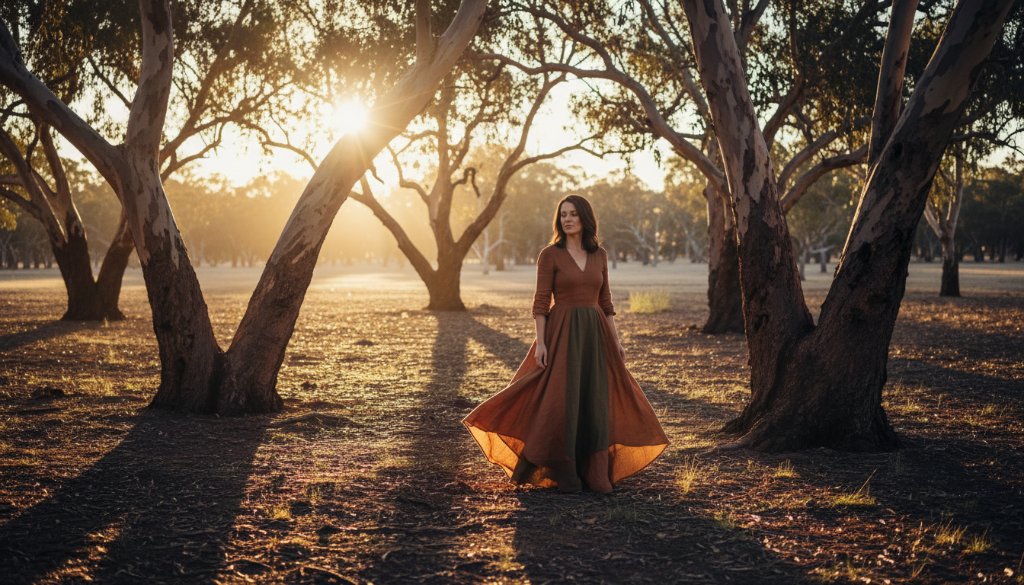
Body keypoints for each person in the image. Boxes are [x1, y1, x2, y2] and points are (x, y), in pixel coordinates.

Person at [463, 195, 668, 493]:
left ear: (585, 218)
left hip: (596, 334)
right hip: (562, 333)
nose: (567, 219)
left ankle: (596, 471)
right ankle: (565, 469)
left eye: (573, 214)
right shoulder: (550, 255)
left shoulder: (600, 255)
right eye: (563, 215)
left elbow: (606, 302)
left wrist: (617, 340)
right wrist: (542, 343)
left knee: (595, 399)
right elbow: (541, 303)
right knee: (561, 398)